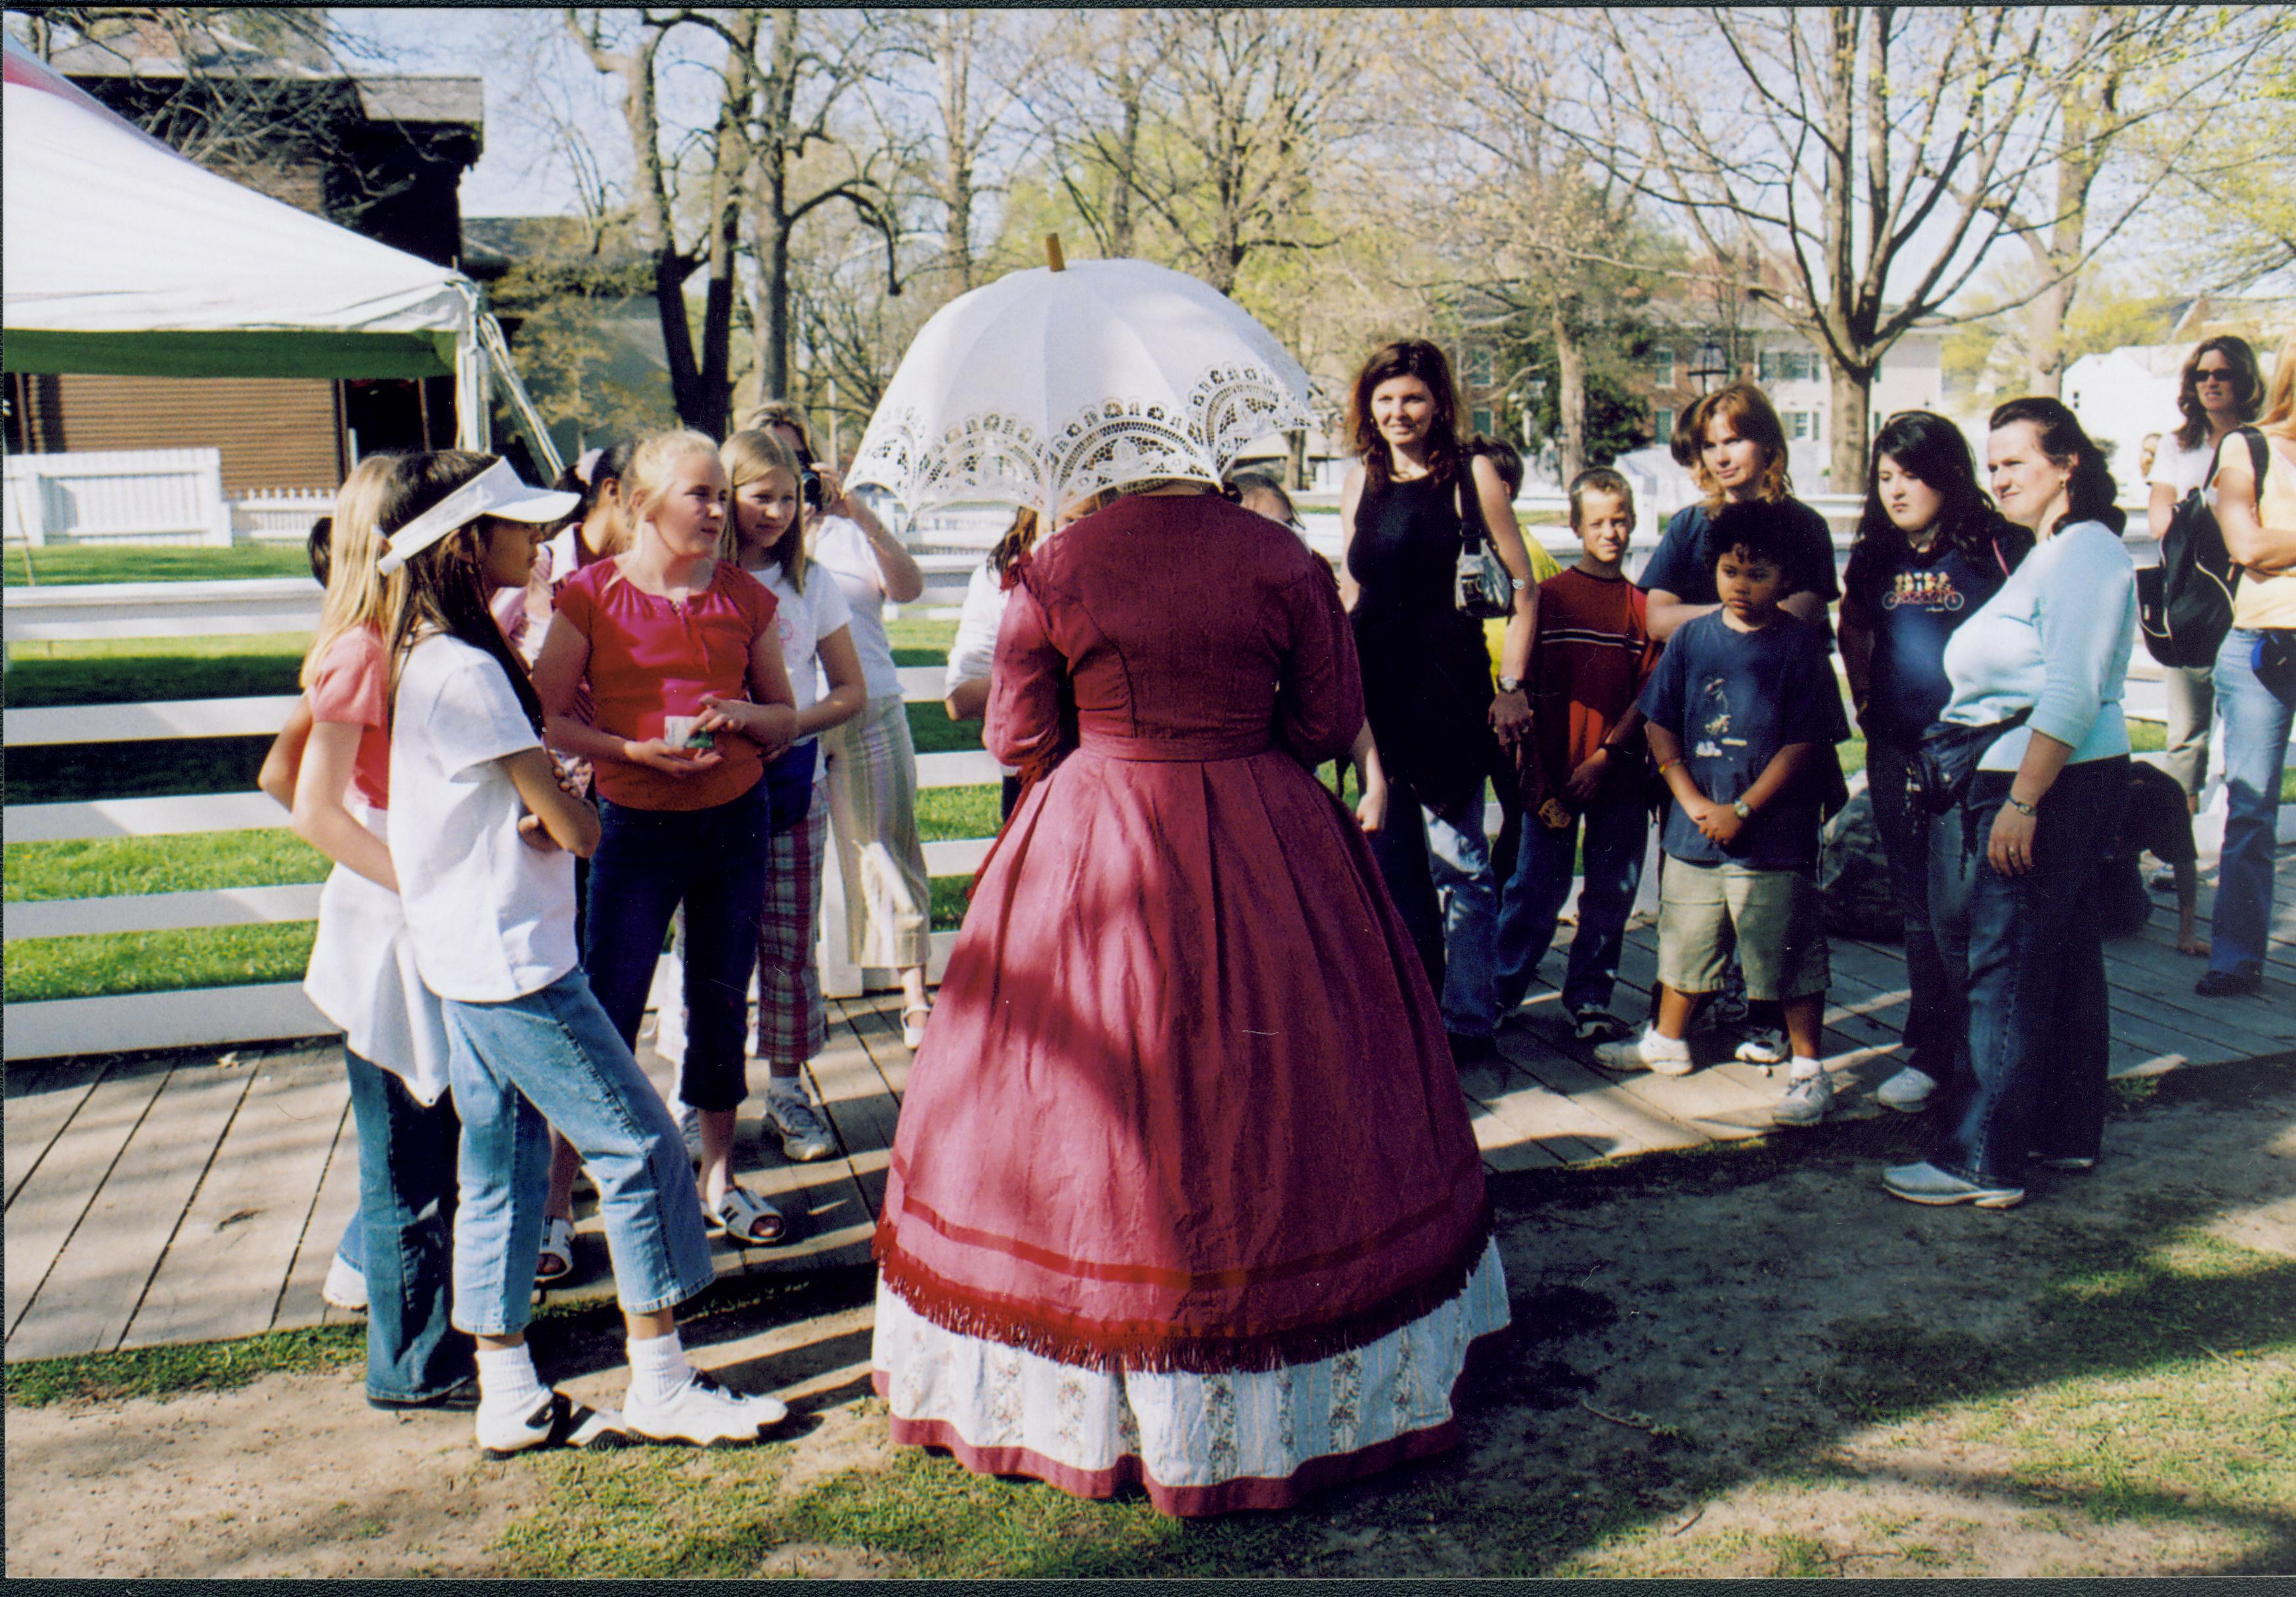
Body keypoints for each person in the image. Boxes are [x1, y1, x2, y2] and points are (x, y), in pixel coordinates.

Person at [870, 473, 1508, 1516]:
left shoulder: (1056, 564)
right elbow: (1323, 720)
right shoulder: (1282, 559)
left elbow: (1014, 737)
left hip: (1095, 832)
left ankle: (1103, 1391)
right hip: (1266, 821)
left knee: (1083, 1097)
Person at [377, 449, 791, 1452]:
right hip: (516, 961)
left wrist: (547, 800)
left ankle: (508, 1391)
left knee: (506, 1162)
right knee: (644, 1144)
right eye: (519, 529)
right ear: (471, 544)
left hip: (466, 953)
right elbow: (579, 830)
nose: (538, 543)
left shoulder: (435, 656)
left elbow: (509, 803)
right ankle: (661, 1377)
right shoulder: (471, 669)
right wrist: (569, 802)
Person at [530, 430, 801, 1248]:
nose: (722, 511)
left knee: (720, 1000)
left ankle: (719, 1177)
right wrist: (628, 750)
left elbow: (784, 716)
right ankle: (555, 1198)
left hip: (733, 822)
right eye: (703, 495)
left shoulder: (746, 599)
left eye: (724, 495)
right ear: (642, 503)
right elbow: (545, 717)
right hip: (633, 828)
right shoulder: (588, 595)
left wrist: (745, 718)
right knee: (606, 1006)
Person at [1883, 397, 2137, 1209]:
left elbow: (2072, 687)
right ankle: (2062, 1133)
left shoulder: (2085, 553)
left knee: (2003, 961)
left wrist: (2024, 800)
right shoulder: (2048, 552)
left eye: (2015, 462)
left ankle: (1978, 1160)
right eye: (1991, 465)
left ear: (2067, 464)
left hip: (2044, 780)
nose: (1998, 478)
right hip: (2023, 773)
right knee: (2056, 957)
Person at [255, 464, 465, 1397]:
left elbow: (282, 775)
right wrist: (413, 880)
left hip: (413, 902)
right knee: (404, 1160)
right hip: (393, 922)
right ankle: (411, 1364)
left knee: (430, 1143)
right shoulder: (363, 650)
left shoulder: (402, 640)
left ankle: (425, 1329)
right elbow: (305, 802)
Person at [1596, 501, 1851, 1125]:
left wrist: (1742, 807)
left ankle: (1809, 1070)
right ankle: (1667, 1041)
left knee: (1785, 954)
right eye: (1731, 571)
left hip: (1774, 838)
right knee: (1686, 938)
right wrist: (1692, 801)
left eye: (1758, 573)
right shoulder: (1690, 638)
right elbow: (1660, 724)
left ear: (1784, 576)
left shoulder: (1798, 647)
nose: (1742, 585)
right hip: (1695, 830)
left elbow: (1805, 744)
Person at [655, 428, 868, 1173]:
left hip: (788, 789)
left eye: (789, 498)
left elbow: (850, 690)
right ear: (726, 496)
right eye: (759, 496)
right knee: (707, 953)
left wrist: (785, 722)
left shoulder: (814, 586)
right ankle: (696, 1099)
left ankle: (786, 1087)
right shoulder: (694, 582)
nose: (776, 512)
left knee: (788, 946)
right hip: (707, 796)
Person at [1338, 340, 1541, 1062]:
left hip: (1449, 690)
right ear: (1368, 405)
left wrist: (1510, 686)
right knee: (1389, 865)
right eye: (1386, 398)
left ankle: (1467, 1019)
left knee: (1461, 864)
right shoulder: (1358, 480)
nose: (1399, 412)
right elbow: (1353, 590)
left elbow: (1524, 587)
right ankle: (1408, 1013)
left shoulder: (1470, 476)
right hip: (1377, 691)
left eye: (1413, 398)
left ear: (1438, 404)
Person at [1636, 382, 1842, 1068]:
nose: (1721, 455)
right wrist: (1724, 617)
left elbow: (1808, 609)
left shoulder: (1802, 524)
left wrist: (1738, 613)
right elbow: (1653, 614)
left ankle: (1764, 1016)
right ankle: (1689, 1007)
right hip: (1701, 726)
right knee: (1696, 881)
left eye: (1734, 439)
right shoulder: (1692, 524)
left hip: (1776, 728)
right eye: (1708, 444)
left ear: (1767, 443)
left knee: (1772, 891)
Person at [1838, 412, 2033, 1113]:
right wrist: (1864, 694)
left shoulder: (1998, 547)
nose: (1896, 490)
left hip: (1979, 755)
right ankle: (1929, 1049)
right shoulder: (1875, 556)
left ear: (1947, 473)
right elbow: (1853, 621)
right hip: (1898, 754)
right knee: (1919, 908)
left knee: (1969, 909)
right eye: (1884, 477)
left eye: (1911, 475)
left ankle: (1985, 1053)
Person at [748, 401, 938, 1048]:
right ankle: (762, 1006)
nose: (788, 477)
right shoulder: (752, 539)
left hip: (869, 701)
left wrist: (855, 510)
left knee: (885, 845)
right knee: (768, 869)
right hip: (787, 715)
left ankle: (913, 996)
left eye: (796, 461)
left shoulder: (848, 527)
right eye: (770, 459)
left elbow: (907, 587)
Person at [1493, 467, 1662, 1042]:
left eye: (1619, 520)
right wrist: (1536, 775)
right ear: (1575, 525)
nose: (1610, 532)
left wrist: (1607, 758)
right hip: (1552, 775)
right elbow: (1526, 690)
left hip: (1617, 777)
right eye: (1597, 522)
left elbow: (1648, 696)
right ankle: (1500, 990)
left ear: (1634, 522)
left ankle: (1590, 997)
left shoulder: (1643, 608)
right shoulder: (1551, 600)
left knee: (1612, 892)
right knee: (1536, 887)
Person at [2196, 329, 2296, 999]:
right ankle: (2236, 958)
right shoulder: (2249, 446)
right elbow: (2247, 543)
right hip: (2265, 645)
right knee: (2253, 807)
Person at [2147, 336, 2264, 809]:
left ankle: (2242, 837)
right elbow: (2160, 515)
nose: (2211, 382)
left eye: (2223, 373)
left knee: (2250, 728)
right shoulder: (2178, 444)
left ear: (2246, 380)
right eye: (2202, 374)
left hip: (2248, 594)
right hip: (2194, 599)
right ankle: (2179, 854)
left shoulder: (2263, 441)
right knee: (2187, 732)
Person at [944, 506, 1039, 822]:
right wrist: (1045, 671)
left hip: (1113, 777)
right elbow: (960, 701)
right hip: (1030, 776)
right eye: (1071, 519)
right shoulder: (999, 576)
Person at [2095, 759, 2203, 949]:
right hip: (2074, 853)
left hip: (2115, 862)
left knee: (2127, 919)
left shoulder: (2168, 801)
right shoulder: (2096, 791)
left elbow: (2184, 862)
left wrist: (2187, 933)